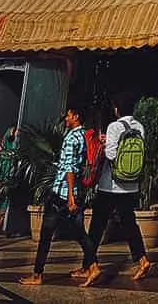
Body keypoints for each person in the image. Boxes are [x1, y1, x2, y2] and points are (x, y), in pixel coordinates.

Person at [19, 105, 102, 288]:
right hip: (76, 192)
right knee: (79, 233)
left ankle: (37, 274)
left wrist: (70, 196)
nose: (66, 118)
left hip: (63, 194)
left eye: (69, 115)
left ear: (76, 116)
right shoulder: (84, 136)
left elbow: (70, 168)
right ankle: (93, 265)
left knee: (46, 234)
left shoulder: (72, 137)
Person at [73, 93, 152, 282]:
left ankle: (88, 266)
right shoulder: (139, 126)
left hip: (111, 185)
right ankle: (142, 259)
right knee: (129, 223)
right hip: (130, 185)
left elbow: (110, 155)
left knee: (97, 226)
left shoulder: (114, 126)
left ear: (117, 109)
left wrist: (104, 143)